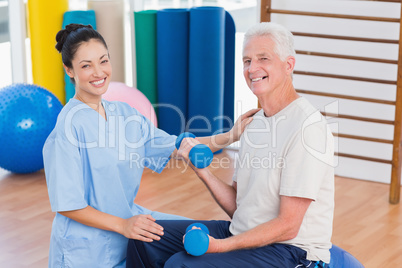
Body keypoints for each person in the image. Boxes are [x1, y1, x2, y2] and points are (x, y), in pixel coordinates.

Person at [43, 23, 258, 268]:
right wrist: (124, 225)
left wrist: (231, 136)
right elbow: (68, 205)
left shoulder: (124, 114)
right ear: (69, 70)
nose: (98, 72)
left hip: (128, 221)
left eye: (103, 61)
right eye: (85, 65)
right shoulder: (67, 128)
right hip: (87, 249)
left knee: (198, 238)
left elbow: (178, 146)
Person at [126, 22, 335, 268]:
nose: (252, 68)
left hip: (292, 252)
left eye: (263, 58)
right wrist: (201, 171)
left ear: (288, 65)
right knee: (143, 238)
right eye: (247, 61)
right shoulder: (253, 123)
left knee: (181, 264)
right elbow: (239, 207)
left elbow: (288, 226)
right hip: (244, 235)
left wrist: (219, 247)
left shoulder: (307, 128)